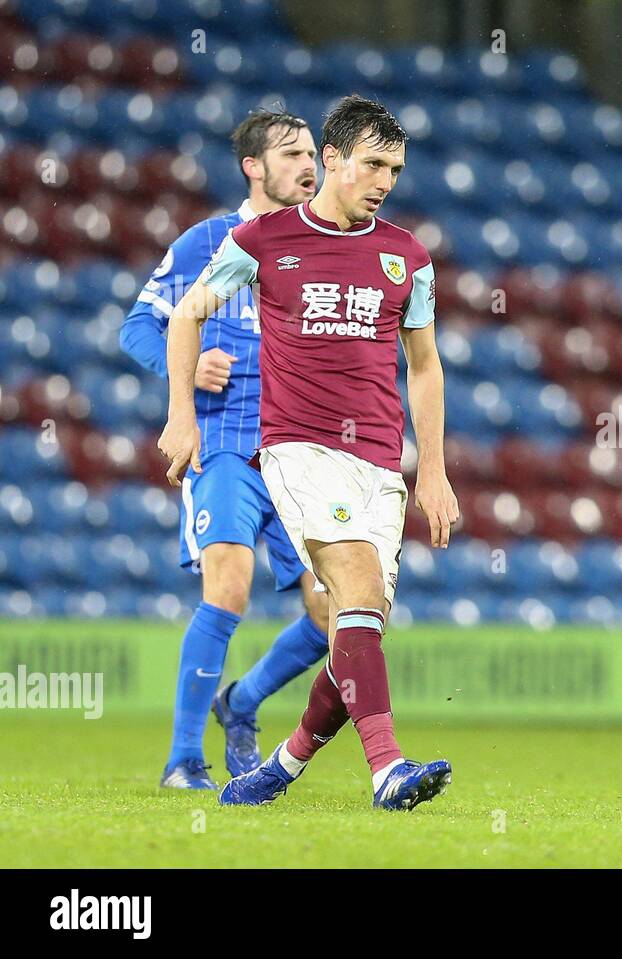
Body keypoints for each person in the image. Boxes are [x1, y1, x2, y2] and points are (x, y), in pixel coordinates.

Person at [157, 94, 461, 811]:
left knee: (355, 626)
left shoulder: (406, 256)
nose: (386, 181)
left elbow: (424, 365)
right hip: (299, 450)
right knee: (352, 587)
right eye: (374, 164)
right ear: (332, 158)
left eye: (396, 169)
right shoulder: (263, 241)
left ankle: (282, 766)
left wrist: (436, 468)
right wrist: (181, 415)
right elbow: (186, 315)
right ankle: (387, 769)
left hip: (381, 462)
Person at [121, 108, 330, 790]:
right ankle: (183, 760)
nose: (309, 165)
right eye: (293, 153)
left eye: (313, 154)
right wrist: (185, 372)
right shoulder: (208, 243)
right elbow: (139, 327)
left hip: (299, 458)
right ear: (253, 166)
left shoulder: (325, 253)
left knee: (335, 612)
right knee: (230, 585)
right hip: (227, 451)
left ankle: (239, 701)